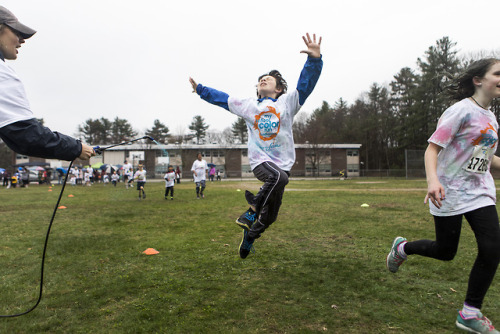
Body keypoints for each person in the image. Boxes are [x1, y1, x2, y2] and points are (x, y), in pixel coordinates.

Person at [386, 58, 500, 333]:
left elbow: (485, 157)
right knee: (445, 251)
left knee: (493, 247)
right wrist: (433, 180)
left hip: (479, 191)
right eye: (498, 73)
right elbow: (432, 150)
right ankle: (403, 248)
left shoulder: (491, 117)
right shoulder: (460, 111)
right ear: (478, 80)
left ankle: (470, 312)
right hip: (448, 191)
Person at [189, 33, 323, 259]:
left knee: (271, 217)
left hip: (283, 165)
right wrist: (201, 90)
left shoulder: (287, 103)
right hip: (261, 161)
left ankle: (250, 236)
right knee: (279, 178)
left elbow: (305, 84)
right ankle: (251, 211)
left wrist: (314, 60)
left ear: (278, 89)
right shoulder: (249, 106)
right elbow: (223, 98)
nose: (263, 80)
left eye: (268, 79)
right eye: (260, 79)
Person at [0, 6, 94, 163]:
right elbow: (25, 135)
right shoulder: (3, 74)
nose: (22, 40)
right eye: (17, 32)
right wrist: (76, 148)